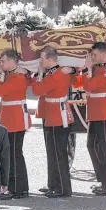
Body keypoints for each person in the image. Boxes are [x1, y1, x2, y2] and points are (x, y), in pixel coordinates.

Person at [0, 50, 31, 200]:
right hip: (10, 118)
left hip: (16, 119)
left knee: (14, 155)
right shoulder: (11, 74)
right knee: (13, 155)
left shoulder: (18, 76)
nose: (1, 64)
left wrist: (0, 75)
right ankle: (19, 188)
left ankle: (17, 189)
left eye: (3, 61)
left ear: (13, 61)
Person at [31, 46, 74, 198]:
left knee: (58, 154)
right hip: (53, 113)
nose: (40, 61)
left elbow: (36, 91)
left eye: (42, 58)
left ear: (50, 59)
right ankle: (54, 184)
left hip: (57, 116)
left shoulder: (54, 75)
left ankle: (62, 188)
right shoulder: (56, 72)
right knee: (53, 153)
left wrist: (40, 74)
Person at [82, 42, 106, 195]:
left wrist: (87, 69)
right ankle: (104, 180)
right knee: (92, 146)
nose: (92, 58)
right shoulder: (98, 68)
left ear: (104, 55)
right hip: (96, 112)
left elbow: (89, 87)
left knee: (105, 149)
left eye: (95, 55)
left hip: (104, 113)